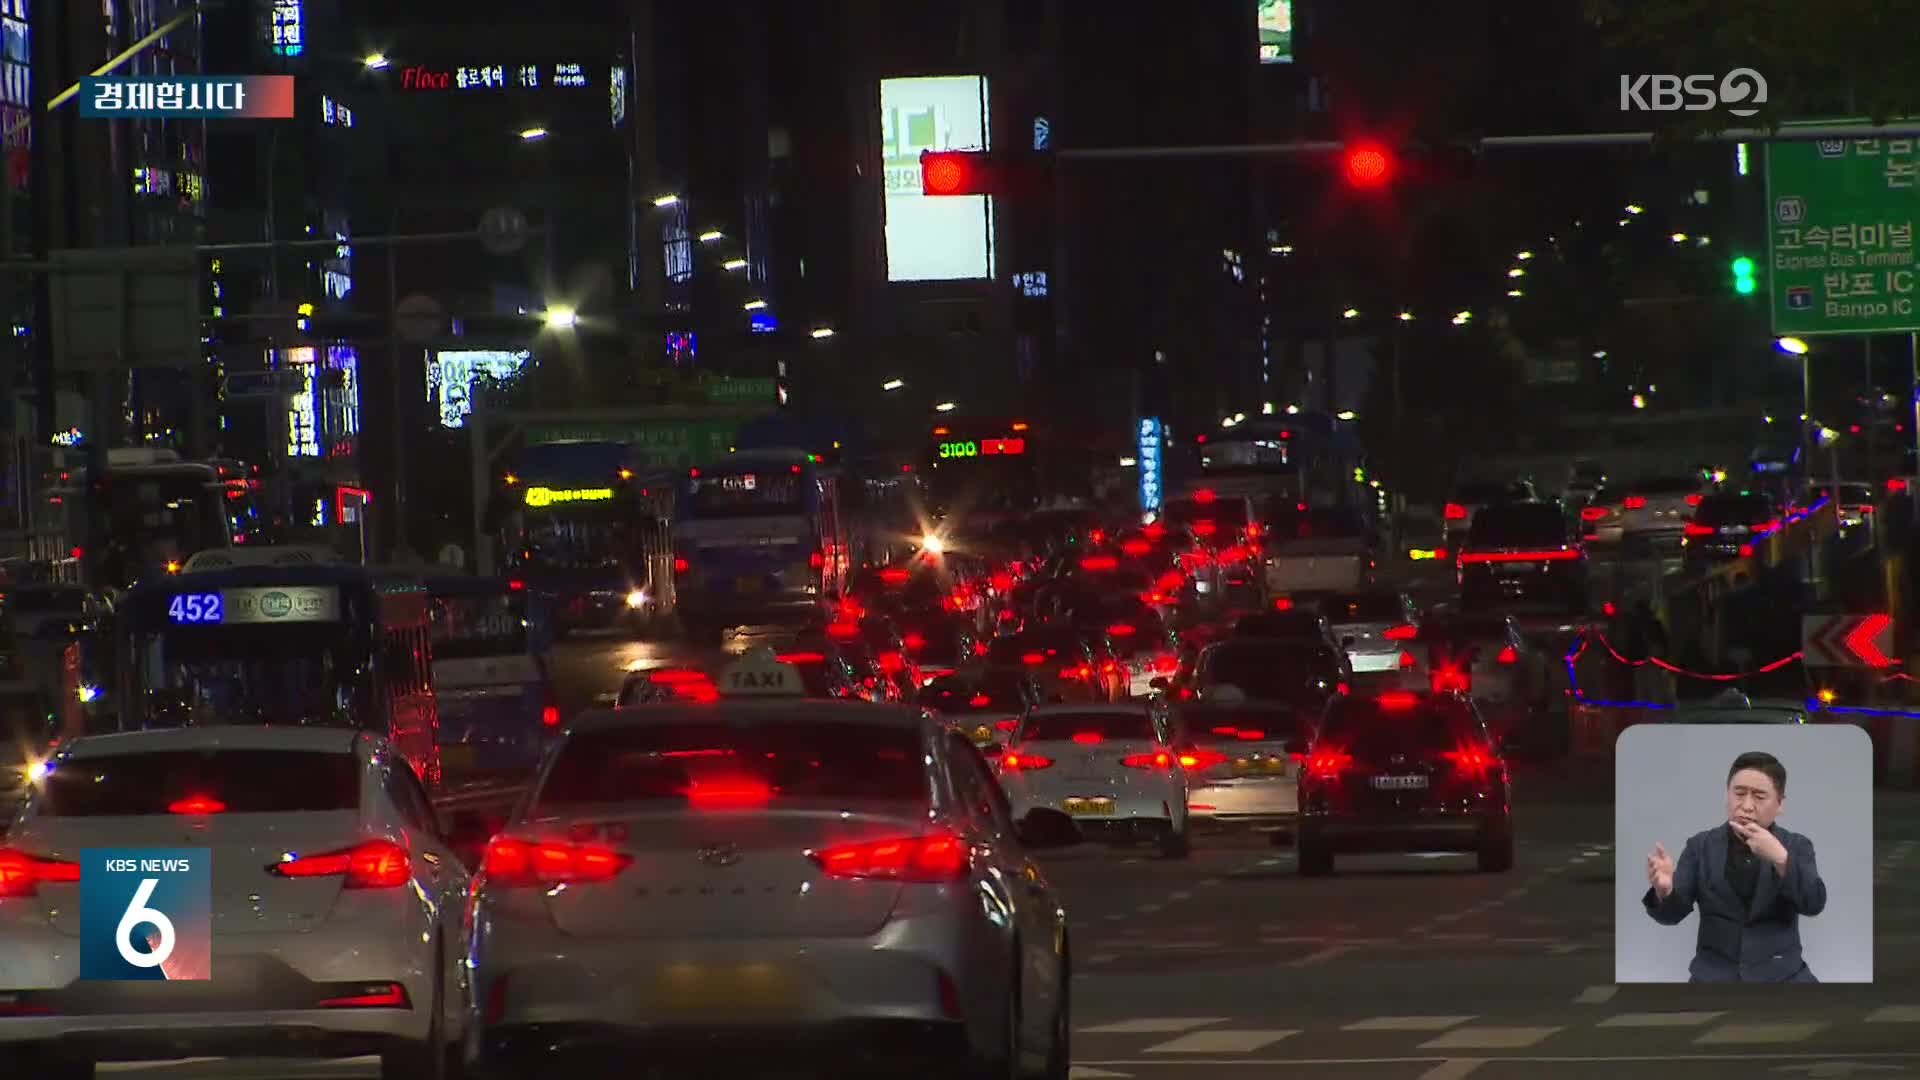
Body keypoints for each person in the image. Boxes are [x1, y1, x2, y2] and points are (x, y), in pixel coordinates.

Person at [1643, 750, 1827, 982]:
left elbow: (1813, 903)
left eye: (1759, 797)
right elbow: (1671, 916)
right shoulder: (1700, 846)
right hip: (1713, 975)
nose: (1747, 806)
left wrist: (1781, 858)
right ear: (1727, 795)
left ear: (1780, 804)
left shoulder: (1797, 845)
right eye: (1739, 793)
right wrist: (1664, 890)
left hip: (1783, 974)